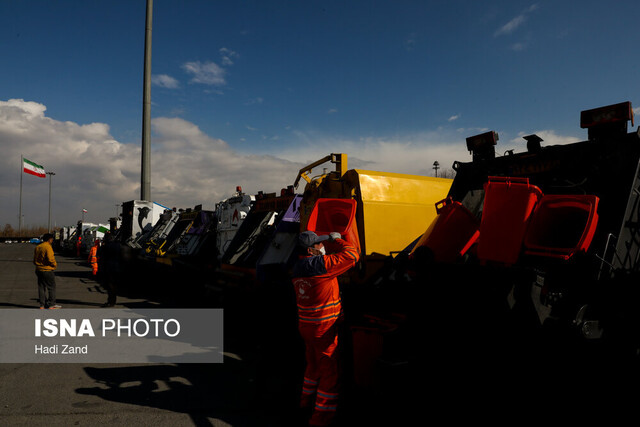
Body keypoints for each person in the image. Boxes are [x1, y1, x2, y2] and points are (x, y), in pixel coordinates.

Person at [292, 230, 359, 427]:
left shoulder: (298, 267)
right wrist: (338, 240)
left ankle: (304, 403)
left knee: (313, 367)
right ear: (311, 250)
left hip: (306, 327)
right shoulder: (321, 266)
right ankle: (320, 419)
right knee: (330, 373)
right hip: (324, 329)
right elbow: (352, 255)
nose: (323, 247)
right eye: (319, 245)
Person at [33, 233, 61, 309]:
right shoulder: (48, 247)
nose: (52, 240)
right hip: (47, 270)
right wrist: (54, 265)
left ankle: (42, 305)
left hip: (39, 270)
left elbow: (34, 260)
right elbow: (50, 258)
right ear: (49, 239)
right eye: (52, 239)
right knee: (51, 287)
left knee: (41, 287)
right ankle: (52, 304)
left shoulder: (38, 247)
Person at [98, 233, 121, 307]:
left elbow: (99, 253)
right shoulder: (117, 246)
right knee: (114, 285)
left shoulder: (105, 247)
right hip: (117, 268)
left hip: (108, 269)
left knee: (109, 286)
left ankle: (110, 302)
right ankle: (113, 301)